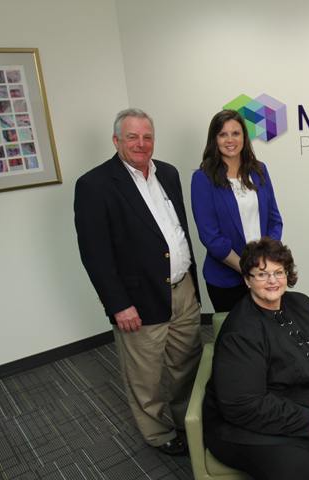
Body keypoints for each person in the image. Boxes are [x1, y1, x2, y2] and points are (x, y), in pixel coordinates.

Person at [74, 108, 202, 456]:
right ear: (116, 141)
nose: (141, 144)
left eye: (147, 136)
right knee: (144, 377)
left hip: (184, 290)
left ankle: (187, 421)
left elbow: (176, 232)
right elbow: (95, 255)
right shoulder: (95, 185)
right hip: (139, 300)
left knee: (187, 364)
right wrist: (118, 304)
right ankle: (159, 434)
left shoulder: (169, 174)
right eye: (132, 137)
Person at [202, 237, 309, 480]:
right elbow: (247, 405)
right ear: (247, 280)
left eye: (278, 272)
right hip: (249, 426)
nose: (272, 280)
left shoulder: (301, 303)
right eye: (261, 274)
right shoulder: (240, 332)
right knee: (302, 467)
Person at [191, 109, 282, 313]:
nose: (230, 140)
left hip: (264, 275)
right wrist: (249, 269)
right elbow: (211, 237)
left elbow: (274, 221)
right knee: (235, 340)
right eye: (223, 134)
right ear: (214, 139)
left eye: (236, 133)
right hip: (226, 281)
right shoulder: (203, 178)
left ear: (244, 137)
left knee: (268, 335)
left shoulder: (259, 170)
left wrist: (265, 264)